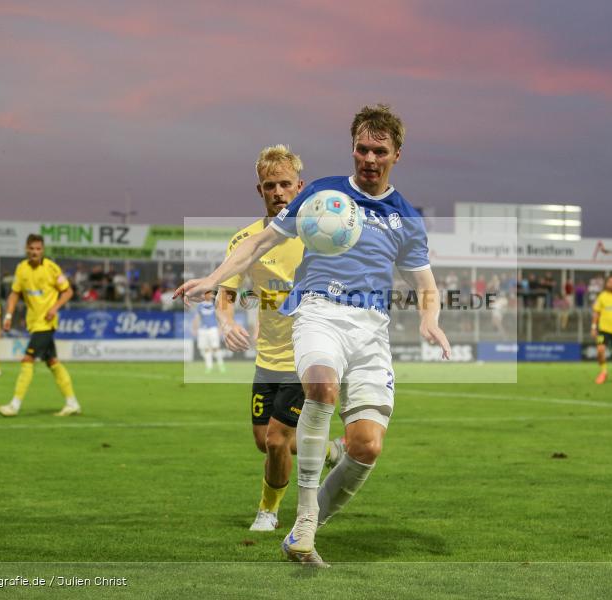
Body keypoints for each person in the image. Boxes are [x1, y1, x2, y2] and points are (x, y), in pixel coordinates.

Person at [175, 104, 450, 565]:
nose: (368, 158)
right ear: (352, 149)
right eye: (361, 148)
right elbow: (260, 242)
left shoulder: (405, 218)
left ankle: (308, 524)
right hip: (319, 312)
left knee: (366, 447)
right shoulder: (321, 195)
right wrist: (212, 279)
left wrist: (429, 319)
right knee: (320, 389)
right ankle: (302, 524)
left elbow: (426, 285)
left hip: (372, 331)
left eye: (378, 150)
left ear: (396, 154)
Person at [216, 144, 343, 532]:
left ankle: (267, 513)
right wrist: (225, 322)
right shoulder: (245, 241)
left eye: (285, 184)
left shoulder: (319, 236)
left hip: (305, 356)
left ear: (300, 186)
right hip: (267, 358)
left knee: (275, 439)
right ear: (260, 190)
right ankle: (328, 450)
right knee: (264, 441)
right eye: (269, 185)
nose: (278, 192)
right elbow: (225, 291)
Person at [0, 234, 81, 417]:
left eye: (38, 249)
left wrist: (54, 308)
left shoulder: (51, 268)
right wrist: (8, 315)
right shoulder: (21, 269)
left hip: (46, 323)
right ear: (27, 249)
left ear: (43, 250)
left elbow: (68, 291)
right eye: (32, 249)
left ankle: (14, 405)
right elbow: (14, 294)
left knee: (28, 359)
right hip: (33, 323)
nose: (35, 252)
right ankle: (72, 403)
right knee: (53, 362)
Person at [590, 275, 612, 385]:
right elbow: (596, 313)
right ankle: (603, 372)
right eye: (610, 282)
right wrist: (593, 327)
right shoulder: (602, 296)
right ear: (606, 284)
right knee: (600, 350)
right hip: (603, 330)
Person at [193, 290, 225, 373]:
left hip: (213, 329)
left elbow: (219, 317)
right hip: (203, 329)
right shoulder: (200, 306)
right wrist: (195, 328)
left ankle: (221, 365)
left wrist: (220, 328)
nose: (209, 295)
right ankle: (209, 367)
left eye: (210, 294)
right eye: (207, 294)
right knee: (206, 349)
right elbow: (197, 318)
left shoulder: (215, 305)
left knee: (215, 348)